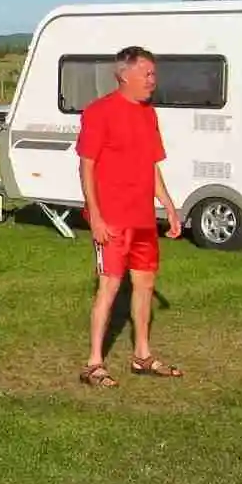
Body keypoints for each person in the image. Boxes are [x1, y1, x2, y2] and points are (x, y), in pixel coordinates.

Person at [75, 47, 183, 387]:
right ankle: (94, 363)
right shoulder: (99, 112)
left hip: (142, 220)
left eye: (154, 74)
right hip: (112, 219)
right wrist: (96, 216)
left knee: (145, 285)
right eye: (147, 74)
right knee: (109, 286)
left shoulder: (148, 114)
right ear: (124, 75)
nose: (153, 80)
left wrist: (167, 204)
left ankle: (142, 355)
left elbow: (151, 164)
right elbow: (86, 166)